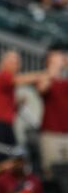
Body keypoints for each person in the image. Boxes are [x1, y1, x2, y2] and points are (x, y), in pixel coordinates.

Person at [0, 51, 44, 166]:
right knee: (1, 159)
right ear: (4, 63)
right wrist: (42, 75)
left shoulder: (7, 81)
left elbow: (7, 109)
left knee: (10, 158)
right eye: (14, 62)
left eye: (18, 63)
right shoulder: (3, 75)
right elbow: (19, 80)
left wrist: (18, 104)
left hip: (4, 126)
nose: (17, 66)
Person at [36, 45, 68, 180]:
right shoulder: (44, 77)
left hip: (66, 134)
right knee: (51, 173)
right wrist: (53, 67)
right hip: (50, 134)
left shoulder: (64, 82)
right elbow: (42, 88)